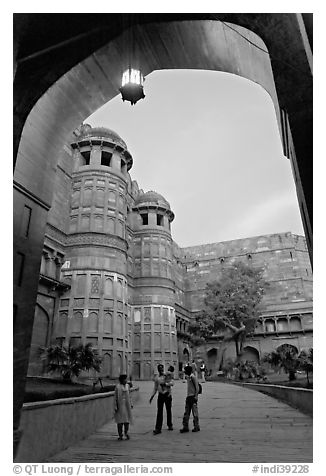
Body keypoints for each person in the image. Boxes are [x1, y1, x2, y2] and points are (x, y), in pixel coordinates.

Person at [149, 364, 174, 434]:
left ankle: (170, 424)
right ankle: (158, 428)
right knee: (159, 411)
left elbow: (172, 383)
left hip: (167, 394)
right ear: (158, 369)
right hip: (160, 395)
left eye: (162, 368)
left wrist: (166, 384)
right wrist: (152, 396)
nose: (161, 370)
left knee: (168, 410)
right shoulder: (157, 378)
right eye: (160, 369)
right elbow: (155, 388)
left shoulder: (167, 375)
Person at [180, 364, 200, 433]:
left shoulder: (193, 377)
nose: (184, 372)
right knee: (186, 413)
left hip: (192, 397)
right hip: (188, 397)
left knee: (194, 413)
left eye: (185, 370)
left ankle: (196, 426)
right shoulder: (188, 377)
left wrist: (196, 396)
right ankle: (185, 427)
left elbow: (197, 387)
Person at [114, 374, 133, 441]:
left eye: (126, 379)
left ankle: (126, 432)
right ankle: (120, 434)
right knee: (120, 421)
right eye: (125, 379)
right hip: (120, 405)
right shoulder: (117, 387)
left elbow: (129, 395)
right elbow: (115, 397)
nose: (126, 380)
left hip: (126, 405)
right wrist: (115, 406)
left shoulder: (127, 386)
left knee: (126, 420)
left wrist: (131, 403)